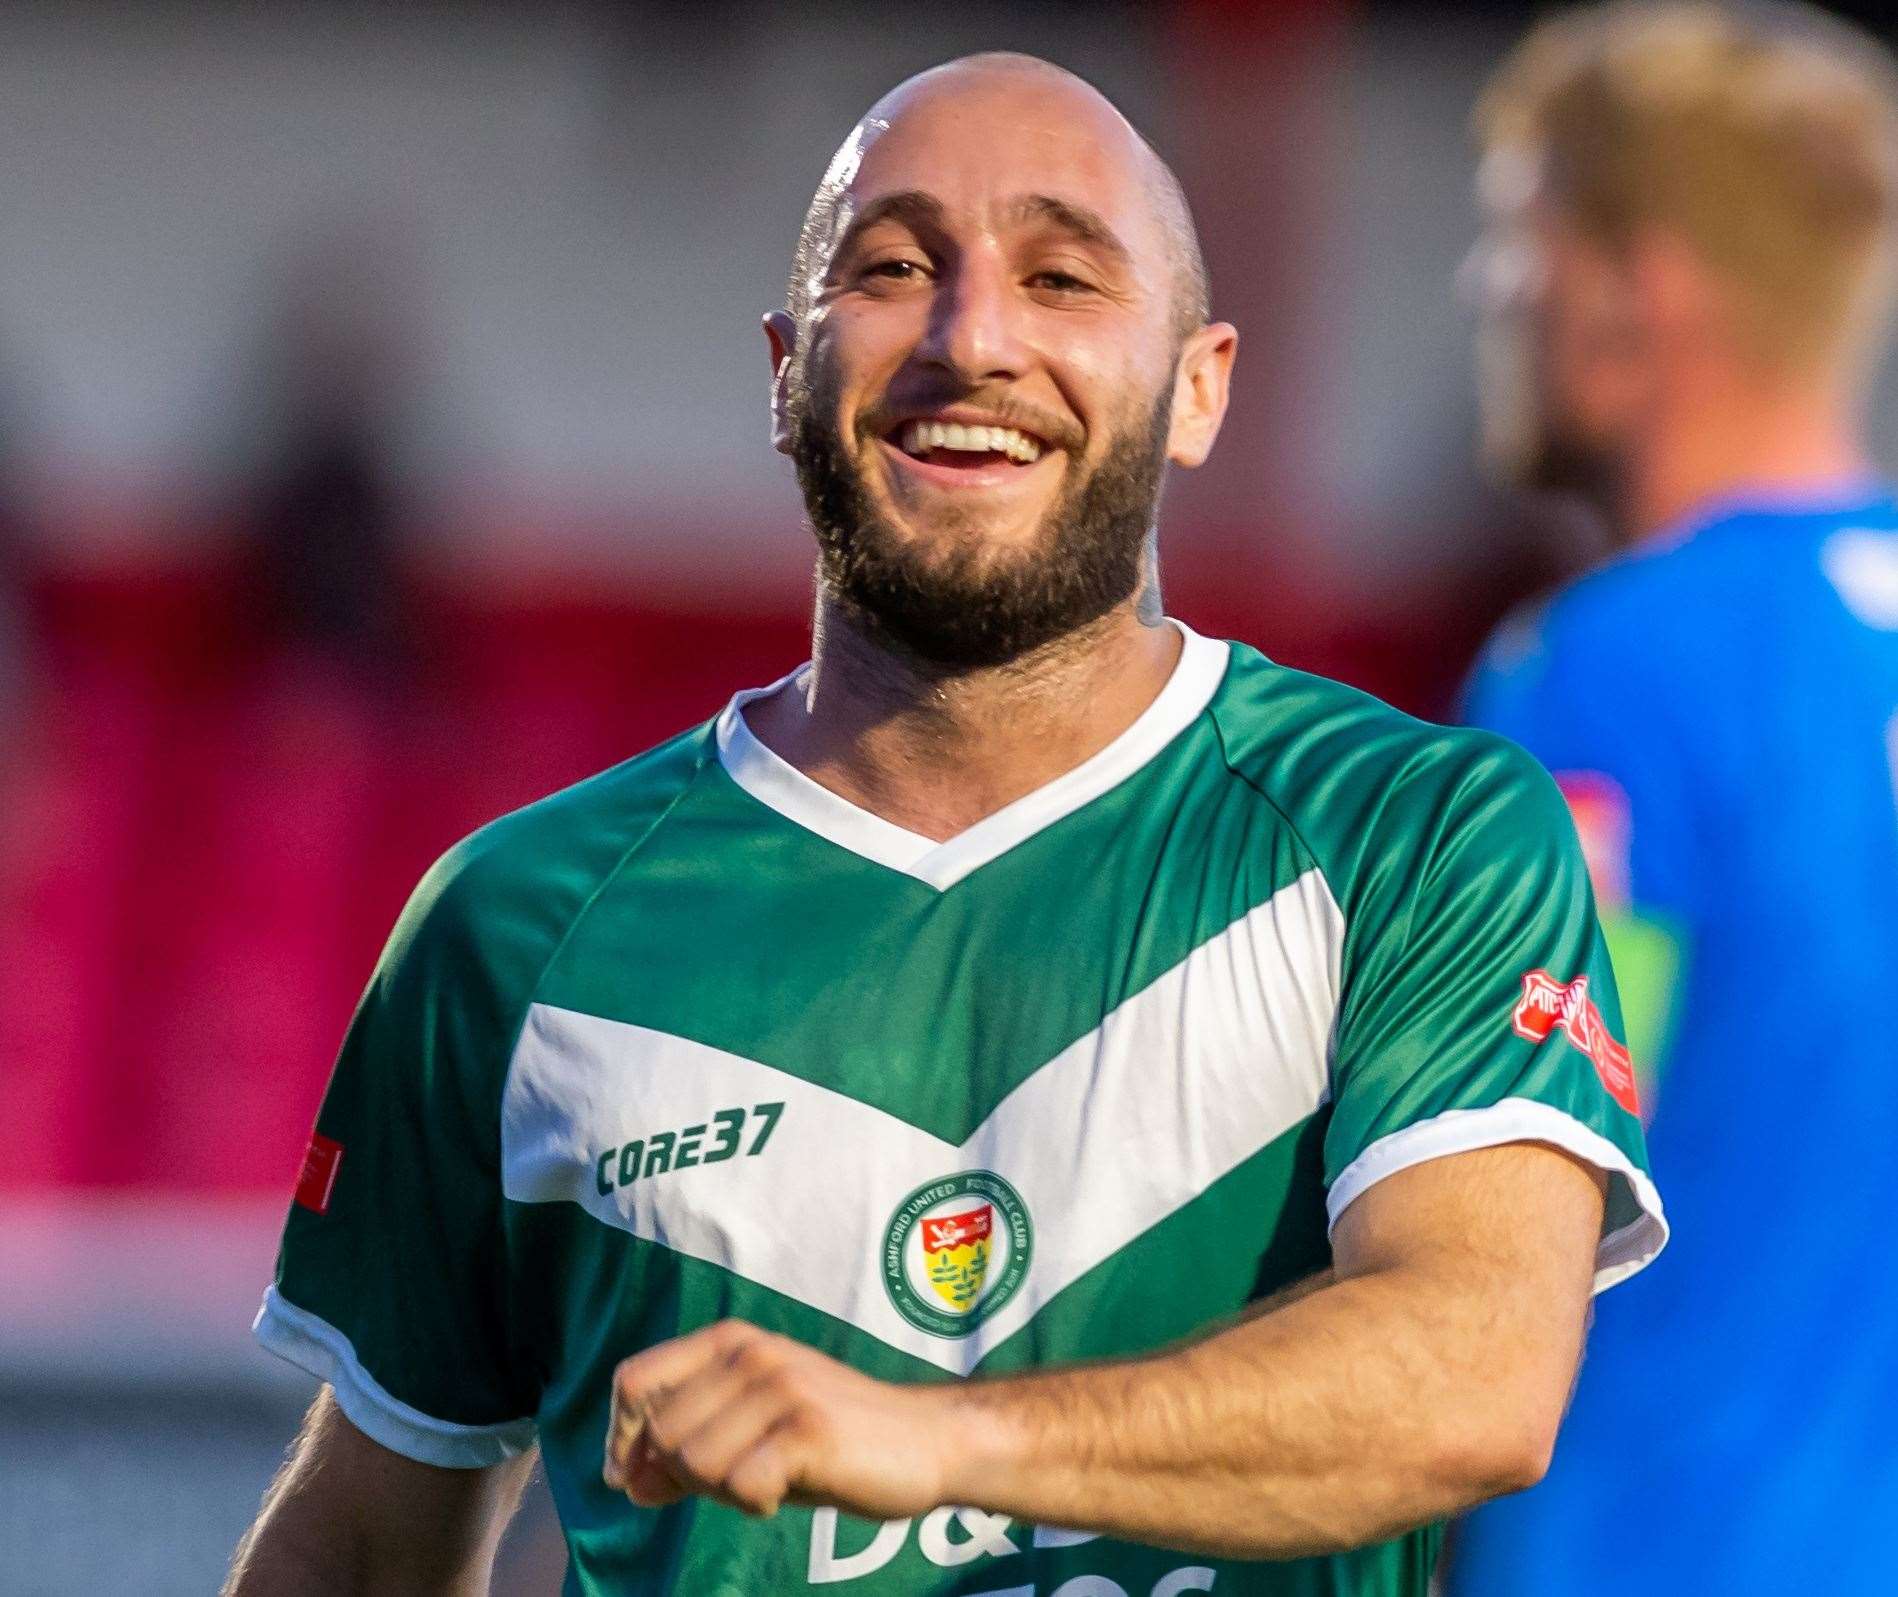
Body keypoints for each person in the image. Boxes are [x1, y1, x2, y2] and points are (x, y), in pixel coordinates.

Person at [225, 53, 1664, 1597]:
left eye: (1060, 278)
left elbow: (1473, 1372)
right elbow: (365, 1545)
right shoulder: (514, 922)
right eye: (896, 268)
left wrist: (939, 1439)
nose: (972, 340)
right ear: (784, 372)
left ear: (1199, 387)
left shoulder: (1414, 834)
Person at [1451, 5, 1898, 1593]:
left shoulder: (1608, 672)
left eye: (1514, 235)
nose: (1479, 290)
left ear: (1634, 289)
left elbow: (1516, 1180)